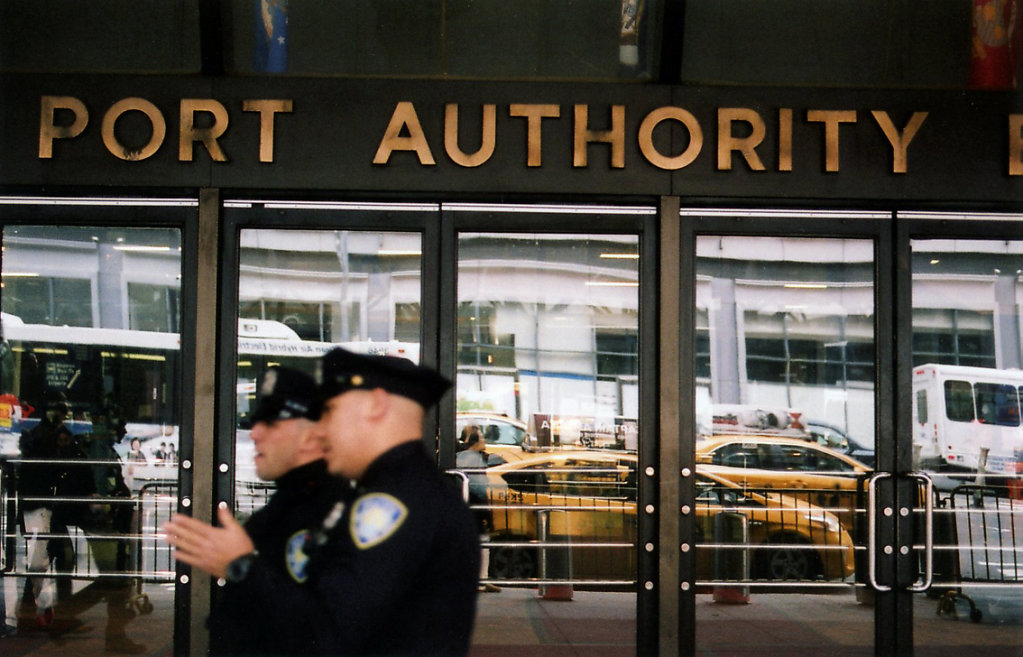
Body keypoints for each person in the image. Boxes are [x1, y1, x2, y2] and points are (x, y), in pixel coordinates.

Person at [164, 348, 480, 657]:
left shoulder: (394, 504)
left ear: (375, 404)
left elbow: (325, 635)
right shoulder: (406, 491)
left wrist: (243, 567)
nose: (322, 427)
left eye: (329, 411)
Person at [165, 366, 353, 657]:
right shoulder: (284, 507)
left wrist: (242, 566)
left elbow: (326, 631)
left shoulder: (342, 514)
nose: (254, 434)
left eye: (271, 423)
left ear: (312, 435)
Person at [455, 430, 500, 593]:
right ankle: (481, 580)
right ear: (475, 442)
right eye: (481, 438)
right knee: (482, 540)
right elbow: (480, 487)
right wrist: (487, 513)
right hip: (473, 503)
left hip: (464, 502)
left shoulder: (462, 456)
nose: (484, 440)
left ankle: (479, 579)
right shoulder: (474, 458)